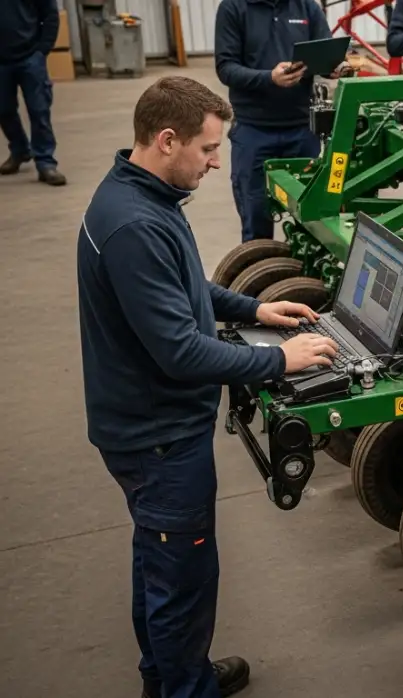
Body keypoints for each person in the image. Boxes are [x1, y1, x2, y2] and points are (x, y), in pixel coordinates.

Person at [76, 76, 340, 698]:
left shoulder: (141, 197)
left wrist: (255, 311)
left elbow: (185, 291)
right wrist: (282, 363)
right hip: (158, 436)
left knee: (159, 562)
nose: (217, 161)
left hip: (148, 427)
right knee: (182, 578)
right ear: (167, 140)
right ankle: (185, 688)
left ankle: (168, 676)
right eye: (208, 149)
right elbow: (181, 351)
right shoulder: (134, 225)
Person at [214, 0, 350, 243]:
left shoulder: (307, 7)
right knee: (256, 219)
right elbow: (226, 68)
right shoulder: (233, 8)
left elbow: (325, 52)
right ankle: (260, 274)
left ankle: (308, 278)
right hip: (253, 132)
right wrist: (268, 78)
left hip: (302, 132)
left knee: (313, 221)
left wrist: (335, 66)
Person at [0, 0, 66, 186]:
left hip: (30, 58)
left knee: (39, 110)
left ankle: (45, 163)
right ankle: (20, 150)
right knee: (3, 110)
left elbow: (51, 15)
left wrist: (42, 51)